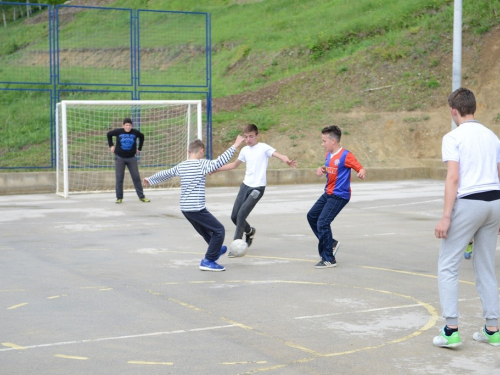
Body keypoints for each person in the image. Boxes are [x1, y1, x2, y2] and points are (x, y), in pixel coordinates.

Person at [434, 87, 500, 348]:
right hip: (495, 202)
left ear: (453, 111)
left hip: (469, 202)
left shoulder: (453, 137)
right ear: (473, 107)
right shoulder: (492, 136)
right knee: (485, 266)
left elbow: (453, 177)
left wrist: (446, 217)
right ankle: (492, 329)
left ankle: (451, 330)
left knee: (447, 265)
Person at [143, 135, 245, 271]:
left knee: (206, 232)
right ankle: (208, 260)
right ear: (202, 151)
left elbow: (166, 173)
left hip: (185, 209)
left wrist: (150, 179)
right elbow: (220, 161)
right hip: (196, 208)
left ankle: (216, 250)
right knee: (219, 230)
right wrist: (236, 145)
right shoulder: (202, 164)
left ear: (188, 152)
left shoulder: (182, 165)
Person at [214, 124, 297, 256]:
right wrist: (217, 169)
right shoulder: (245, 150)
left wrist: (286, 160)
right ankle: (250, 231)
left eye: (251, 136)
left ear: (257, 135)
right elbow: (235, 165)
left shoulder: (263, 148)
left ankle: (236, 246)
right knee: (234, 216)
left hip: (257, 188)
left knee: (241, 215)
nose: (248, 140)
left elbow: (278, 155)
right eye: (246, 137)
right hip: (245, 185)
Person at [307, 125, 365, 269]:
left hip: (340, 195)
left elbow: (359, 167)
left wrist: (361, 172)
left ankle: (328, 258)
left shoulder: (346, 155)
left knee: (323, 222)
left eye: (324, 141)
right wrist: (322, 169)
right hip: (328, 192)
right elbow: (330, 168)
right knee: (312, 216)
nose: (322, 144)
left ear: (333, 141)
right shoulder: (328, 155)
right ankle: (331, 243)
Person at [107, 118, 150, 204]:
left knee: (136, 177)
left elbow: (142, 136)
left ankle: (141, 196)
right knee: (119, 178)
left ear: (132, 126)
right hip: (119, 158)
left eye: (129, 125)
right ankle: (119, 197)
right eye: (126, 125)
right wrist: (111, 145)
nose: (128, 127)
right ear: (123, 126)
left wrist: (139, 149)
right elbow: (109, 134)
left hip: (131, 158)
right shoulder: (118, 132)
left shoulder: (135, 132)